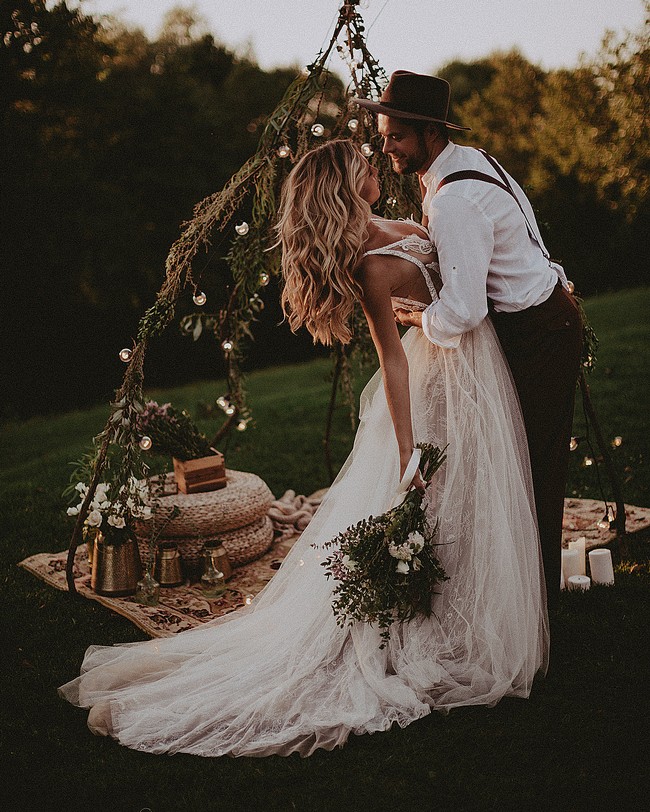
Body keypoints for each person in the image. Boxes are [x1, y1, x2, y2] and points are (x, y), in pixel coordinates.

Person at [59, 139, 548, 758]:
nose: (374, 166)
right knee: (439, 500)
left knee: (474, 500)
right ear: (343, 187)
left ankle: (469, 609)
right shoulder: (369, 266)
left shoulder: (394, 219)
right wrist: (406, 447)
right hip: (434, 383)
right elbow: (391, 361)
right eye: (361, 166)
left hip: (470, 363)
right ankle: (432, 622)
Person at [356, 71, 583, 610]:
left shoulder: (453, 198)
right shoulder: (465, 162)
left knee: (535, 467)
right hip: (540, 314)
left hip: (538, 332)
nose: (386, 147)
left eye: (396, 137)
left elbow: (464, 309)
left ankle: (537, 602)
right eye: (383, 135)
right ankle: (523, 589)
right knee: (521, 462)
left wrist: (411, 318)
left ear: (430, 133)